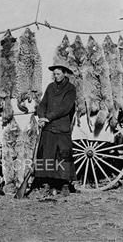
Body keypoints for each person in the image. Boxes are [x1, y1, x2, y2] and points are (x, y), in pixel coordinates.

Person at [34, 64, 77, 195]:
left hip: (62, 127)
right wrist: (41, 117)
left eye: (58, 74)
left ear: (64, 74)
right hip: (48, 128)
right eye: (55, 74)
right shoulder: (50, 87)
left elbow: (66, 107)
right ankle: (46, 183)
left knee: (63, 156)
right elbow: (43, 104)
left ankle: (64, 184)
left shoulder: (71, 89)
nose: (56, 76)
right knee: (47, 155)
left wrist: (48, 117)